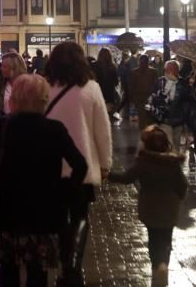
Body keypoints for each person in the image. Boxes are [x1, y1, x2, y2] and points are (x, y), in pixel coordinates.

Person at [0, 75, 88, 287]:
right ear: (42, 99)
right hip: (44, 211)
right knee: (38, 271)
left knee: (9, 269)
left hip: (9, 209)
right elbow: (80, 165)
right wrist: (65, 190)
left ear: (16, 99)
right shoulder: (54, 129)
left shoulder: (4, 126)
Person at [44, 42, 113, 287]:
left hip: (51, 165)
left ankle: (64, 263)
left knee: (60, 216)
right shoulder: (91, 88)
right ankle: (72, 266)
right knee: (80, 214)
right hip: (81, 164)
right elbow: (102, 131)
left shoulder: (46, 87)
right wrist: (105, 163)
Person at [109, 126, 188, 287]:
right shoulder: (172, 162)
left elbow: (126, 178)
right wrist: (178, 198)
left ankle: (155, 267)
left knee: (154, 238)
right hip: (169, 206)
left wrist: (108, 175)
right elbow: (183, 184)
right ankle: (163, 264)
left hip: (150, 207)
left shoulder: (143, 162)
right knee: (166, 238)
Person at [149, 60, 186, 151]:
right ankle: (170, 161)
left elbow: (186, 100)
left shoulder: (182, 83)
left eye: (174, 68)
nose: (171, 71)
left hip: (179, 119)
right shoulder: (160, 82)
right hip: (165, 119)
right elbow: (154, 98)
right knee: (169, 144)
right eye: (169, 69)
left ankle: (176, 162)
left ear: (178, 70)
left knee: (176, 144)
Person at [127, 55, 158, 128]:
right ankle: (149, 132)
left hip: (138, 97)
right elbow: (156, 84)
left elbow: (131, 86)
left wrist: (132, 97)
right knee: (149, 115)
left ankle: (143, 132)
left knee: (142, 115)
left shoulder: (134, 72)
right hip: (149, 97)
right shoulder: (153, 71)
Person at [93, 48, 120, 120]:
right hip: (109, 94)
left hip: (97, 93)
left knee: (98, 115)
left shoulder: (94, 66)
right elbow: (116, 82)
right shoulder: (112, 67)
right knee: (107, 115)